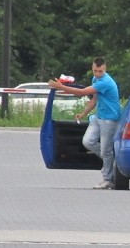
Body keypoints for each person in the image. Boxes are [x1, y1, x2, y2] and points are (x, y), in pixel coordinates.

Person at [49, 57, 121, 189]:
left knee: (106, 150)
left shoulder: (105, 82)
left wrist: (61, 87)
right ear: (92, 69)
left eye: (100, 71)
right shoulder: (96, 79)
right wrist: (84, 113)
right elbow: (95, 98)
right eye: (95, 71)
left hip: (110, 119)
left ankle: (108, 179)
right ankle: (114, 162)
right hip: (99, 117)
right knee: (88, 142)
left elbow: (82, 93)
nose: (97, 74)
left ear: (105, 69)